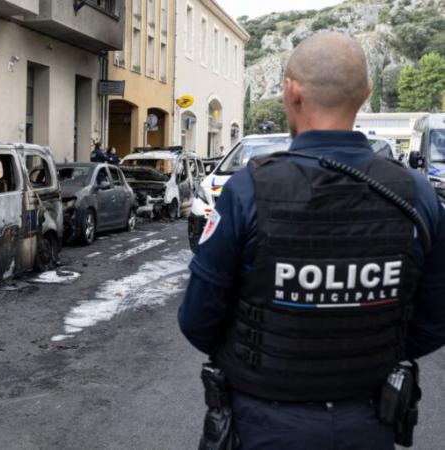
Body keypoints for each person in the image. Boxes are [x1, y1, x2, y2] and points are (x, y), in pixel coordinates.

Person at [179, 32, 445, 450]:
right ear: (366, 93)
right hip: (370, 420)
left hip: (265, 422)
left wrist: (265, 356)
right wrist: (368, 354)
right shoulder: (416, 193)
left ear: (291, 90)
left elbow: (198, 320)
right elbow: (436, 318)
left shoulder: (248, 189)